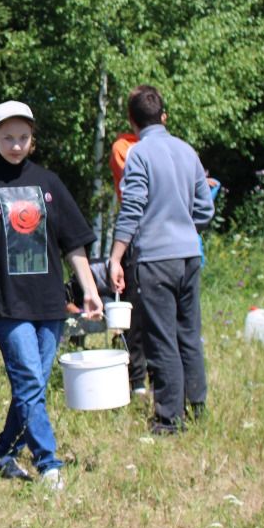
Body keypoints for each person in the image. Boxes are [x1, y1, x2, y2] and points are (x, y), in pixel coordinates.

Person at [0, 101, 102, 492]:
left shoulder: (48, 182)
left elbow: (74, 244)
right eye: (7, 137)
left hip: (50, 301)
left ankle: (3, 450)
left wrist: (89, 289)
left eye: (23, 137)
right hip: (7, 301)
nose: (15, 145)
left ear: (32, 139)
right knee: (30, 382)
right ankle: (48, 462)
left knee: (31, 384)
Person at [108, 85, 215, 435]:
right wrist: (185, 228)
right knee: (189, 334)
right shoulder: (187, 151)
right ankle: (198, 407)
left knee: (163, 338)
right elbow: (205, 208)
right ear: (163, 116)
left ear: (131, 120)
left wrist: (116, 257)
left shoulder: (137, 154)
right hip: (189, 255)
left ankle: (170, 419)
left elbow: (132, 208)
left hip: (156, 259)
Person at [109, 129, 148, 397]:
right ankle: (137, 380)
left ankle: (156, 376)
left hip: (160, 238)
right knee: (135, 311)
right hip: (137, 236)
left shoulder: (167, 148)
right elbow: (133, 195)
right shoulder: (124, 147)